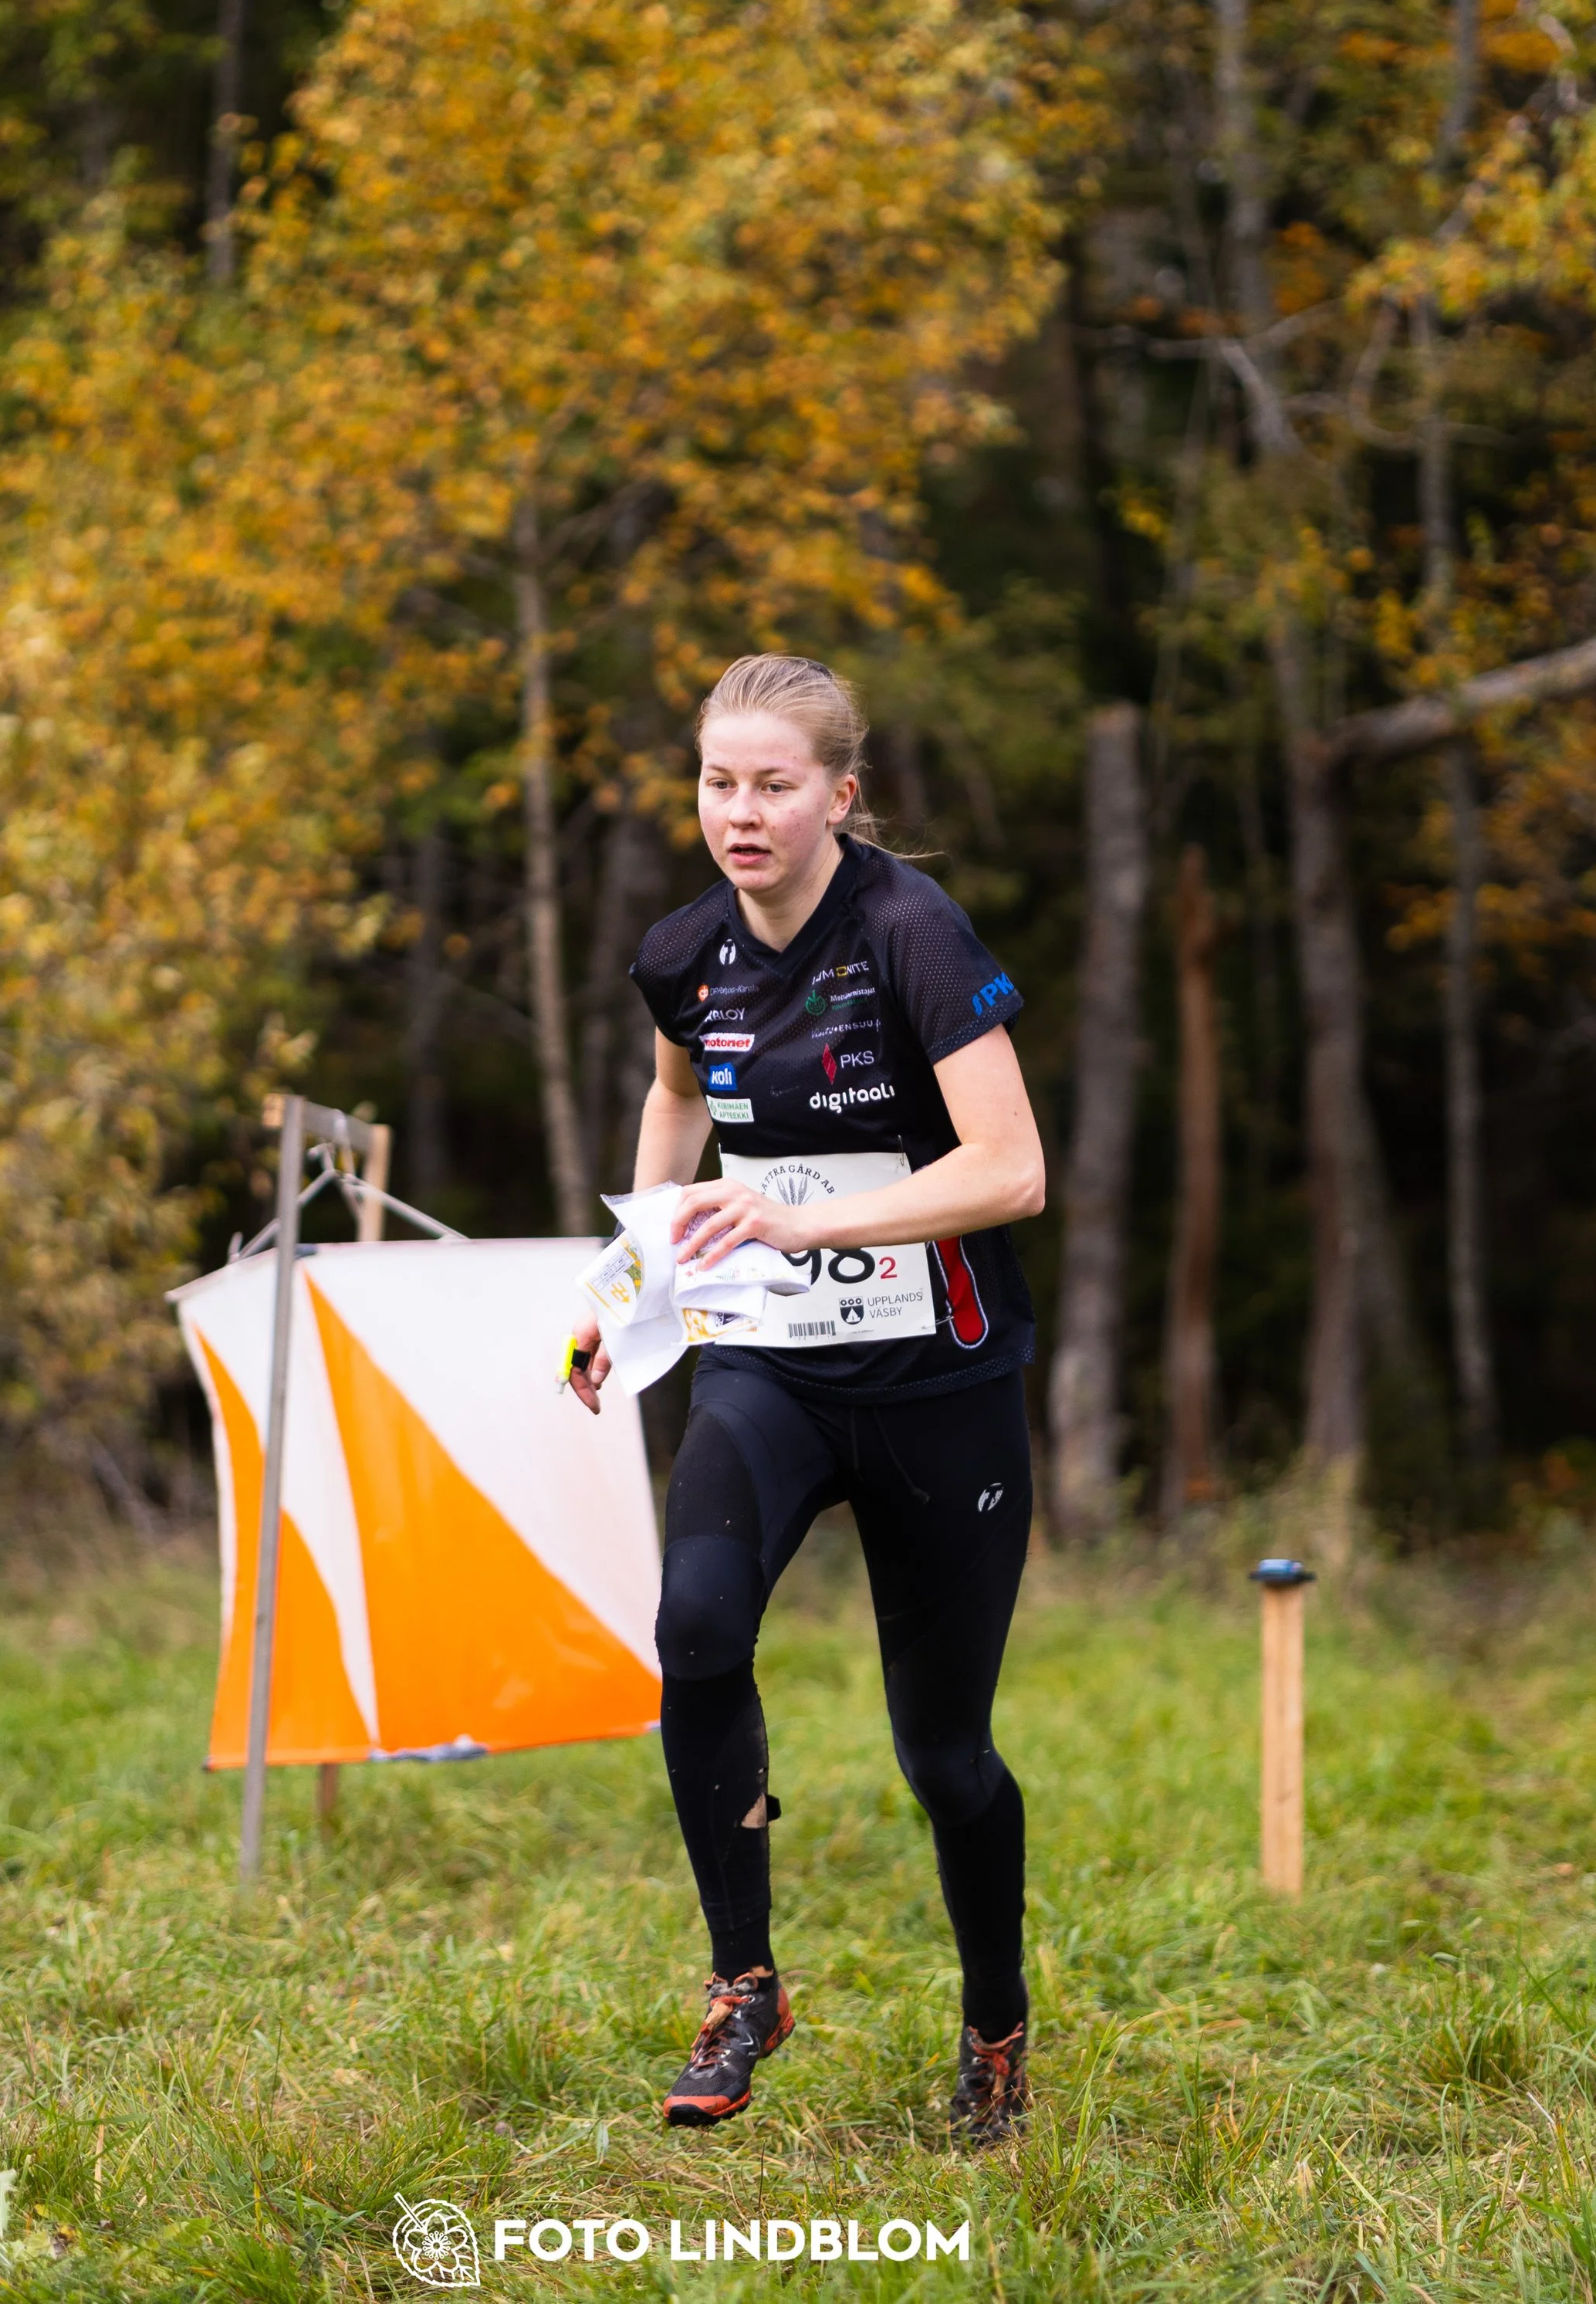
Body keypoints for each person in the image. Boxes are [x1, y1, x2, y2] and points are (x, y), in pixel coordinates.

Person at [568, 653, 1046, 2146]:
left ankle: (994, 2027)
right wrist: (624, 1278)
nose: (742, 812)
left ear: (839, 794)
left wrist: (805, 1219)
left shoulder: (909, 931)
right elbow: (672, 1099)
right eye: (720, 782)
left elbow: (1013, 1172)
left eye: (776, 785)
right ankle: (743, 1985)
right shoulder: (684, 952)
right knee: (696, 1627)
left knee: (945, 1760)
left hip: (938, 1389)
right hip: (767, 1371)